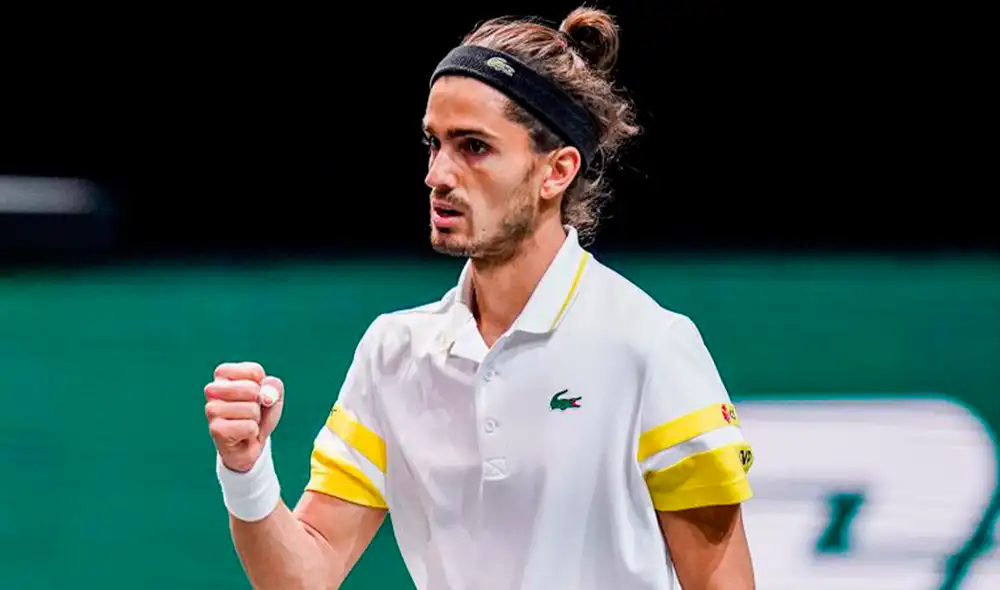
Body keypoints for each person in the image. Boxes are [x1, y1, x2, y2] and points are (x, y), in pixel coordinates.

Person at [205, 7, 756, 589]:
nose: (437, 175)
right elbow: (306, 576)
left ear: (556, 171)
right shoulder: (393, 352)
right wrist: (246, 470)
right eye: (433, 143)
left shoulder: (651, 347)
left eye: (473, 146)